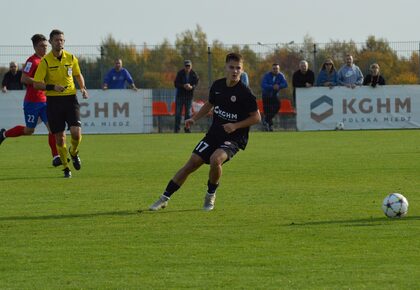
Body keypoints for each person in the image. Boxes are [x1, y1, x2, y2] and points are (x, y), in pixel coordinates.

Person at [149, 52, 261, 211]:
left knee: (216, 159)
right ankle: (164, 197)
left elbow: (257, 118)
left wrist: (235, 126)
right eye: (232, 67)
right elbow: (209, 104)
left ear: (242, 70)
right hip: (214, 134)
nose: (235, 71)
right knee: (191, 163)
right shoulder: (218, 86)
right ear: (225, 68)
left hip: (234, 138)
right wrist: (194, 119)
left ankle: (210, 195)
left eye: (238, 68)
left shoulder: (245, 93)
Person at [33, 29, 89, 178]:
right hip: (54, 102)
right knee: (60, 138)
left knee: (76, 134)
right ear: (51, 42)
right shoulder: (45, 61)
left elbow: (78, 74)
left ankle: (74, 152)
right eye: (57, 40)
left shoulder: (71, 58)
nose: (60, 42)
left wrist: (82, 88)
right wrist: (52, 87)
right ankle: (66, 167)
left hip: (70, 99)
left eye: (62, 40)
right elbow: (37, 84)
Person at [0, 34, 61, 166]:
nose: (45, 49)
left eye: (46, 46)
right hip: (32, 103)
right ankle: (4, 134)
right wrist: (42, 83)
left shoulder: (48, 60)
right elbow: (24, 79)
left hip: (45, 101)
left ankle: (56, 157)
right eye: (41, 46)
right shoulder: (31, 61)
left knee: (53, 129)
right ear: (35, 47)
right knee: (29, 130)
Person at [173, 59, 199, 133]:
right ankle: (176, 130)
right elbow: (176, 84)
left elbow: (196, 83)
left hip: (189, 96)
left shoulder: (194, 74)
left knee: (188, 114)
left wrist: (191, 87)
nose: (187, 67)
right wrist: (183, 86)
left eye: (189, 66)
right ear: (184, 66)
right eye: (186, 66)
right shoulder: (180, 73)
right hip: (180, 96)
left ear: (191, 66)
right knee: (178, 113)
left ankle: (187, 129)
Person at [260, 63, 288, 131]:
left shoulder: (281, 75)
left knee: (277, 106)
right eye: (274, 69)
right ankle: (269, 126)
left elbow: (285, 84)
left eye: (277, 69)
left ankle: (266, 120)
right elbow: (263, 85)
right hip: (266, 96)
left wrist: (279, 86)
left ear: (279, 69)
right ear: (271, 69)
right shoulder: (267, 75)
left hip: (274, 96)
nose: (275, 70)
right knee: (267, 111)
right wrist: (272, 87)